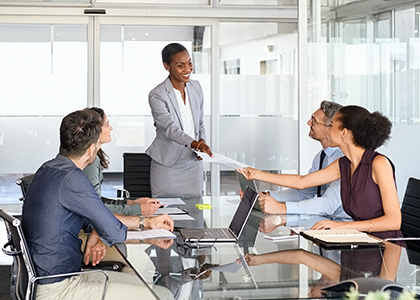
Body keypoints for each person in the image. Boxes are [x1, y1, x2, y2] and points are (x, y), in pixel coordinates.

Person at [22, 109, 174, 300]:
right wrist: (142, 225)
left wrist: (148, 223)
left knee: (149, 287)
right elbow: (113, 231)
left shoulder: (47, 168)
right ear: (92, 149)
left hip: (51, 278)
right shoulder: (72, 178)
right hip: (59, 288)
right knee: (163, 296)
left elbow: (99, 215)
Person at [239, 105, 404, 241]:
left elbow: (394, 221)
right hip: (358, 240)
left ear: (344, 133)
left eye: (331, 125)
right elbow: (302, 182)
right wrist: (256, 174)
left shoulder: (379, 163)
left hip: (385, 246)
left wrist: (341, 226)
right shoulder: (344, 164)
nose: (328, 130)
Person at [256, 100, 349, 218]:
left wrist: (281, 207)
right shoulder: (321, 157)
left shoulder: (345, 159)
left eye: (314, 120)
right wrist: (266, 196)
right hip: (325, 221)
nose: (308, 122)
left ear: (329, 127)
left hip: (344, 225)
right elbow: (304, 193)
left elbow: (328, 204)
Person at [146, 42, 213, 198]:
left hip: (193, 162)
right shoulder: (157, 94)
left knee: (195, 212)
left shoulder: (196, 87)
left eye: (189, 63)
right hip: (168, 165)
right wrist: (197, 144)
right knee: (166, 214)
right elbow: (170, 129)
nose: (188, 69)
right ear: (166, 66)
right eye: (180, 65)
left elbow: (200, 122)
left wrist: (202, 140)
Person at [83, 107, 161, 216]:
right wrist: (137, 210)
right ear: (96, 130)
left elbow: (96, 200)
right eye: (107, 124)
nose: (111, 128)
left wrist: (130, 203)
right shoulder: (89, 161)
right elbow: (94, 207)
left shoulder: (93, 156)